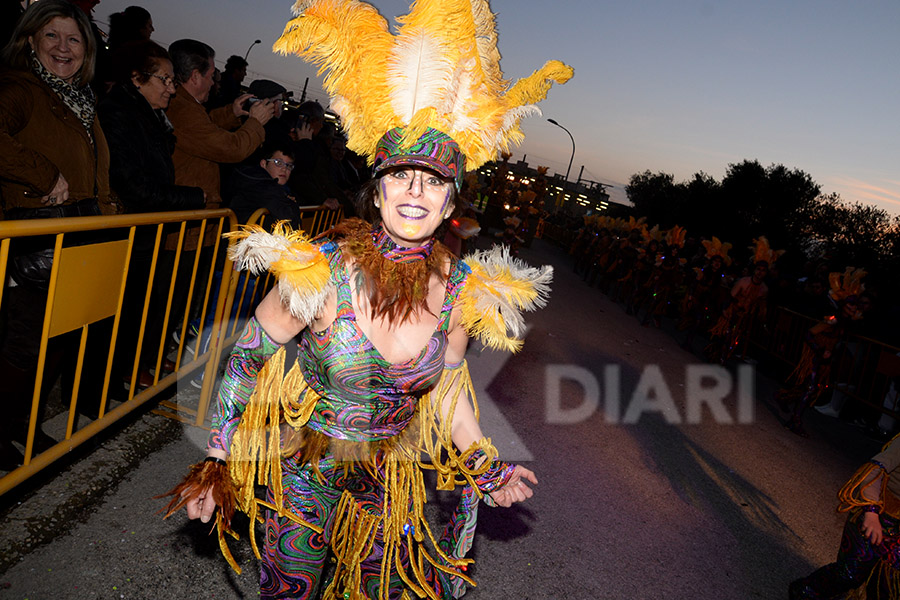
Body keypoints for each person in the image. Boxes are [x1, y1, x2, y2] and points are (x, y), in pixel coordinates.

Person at [161, 0, 573, 598]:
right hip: (305, 471)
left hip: (391, 479)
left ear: (450, 205)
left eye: (433, 181)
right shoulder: (321, 272)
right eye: (401, 176)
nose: (415, 191)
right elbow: (248, 356)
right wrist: (219, 461)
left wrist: (484, 461)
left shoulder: (462, 293)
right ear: (376, 192)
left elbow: (451, 388)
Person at [0, 0, 119, 469]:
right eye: (52, 36)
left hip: (80, 233)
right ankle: (3, 431)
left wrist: (109, 210)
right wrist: (42, 175)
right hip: (36, 234)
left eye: (74, 39)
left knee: (58, 338)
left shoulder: (79, 98)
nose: (63, 48)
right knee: (25, 341)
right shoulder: (19, 87)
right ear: (29, 39)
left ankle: (23, 427)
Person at [98, 39, 205, 389]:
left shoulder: (151, 117)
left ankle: (117, 380)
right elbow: (134, 184)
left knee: (137, 312)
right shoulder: (120, 114)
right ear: (137, 78)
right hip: (124, 230)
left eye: (174, 80)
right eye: (166, 79)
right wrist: (193, 197)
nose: (172, 89)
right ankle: (99, 390)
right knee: (116, 317)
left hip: (144, 231)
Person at [789, 433, 900, 598]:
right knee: (850, 574)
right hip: (879, 509)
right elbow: (874, 470)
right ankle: (806, 591)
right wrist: (871, 511)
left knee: (888, 585)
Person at [225, 144, 301, 227]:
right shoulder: (261, 186)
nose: (284, 169)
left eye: (289, 166)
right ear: (264, 164)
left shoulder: (274, 188)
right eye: (278, 163)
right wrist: (290, 203)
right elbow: (290, 222)